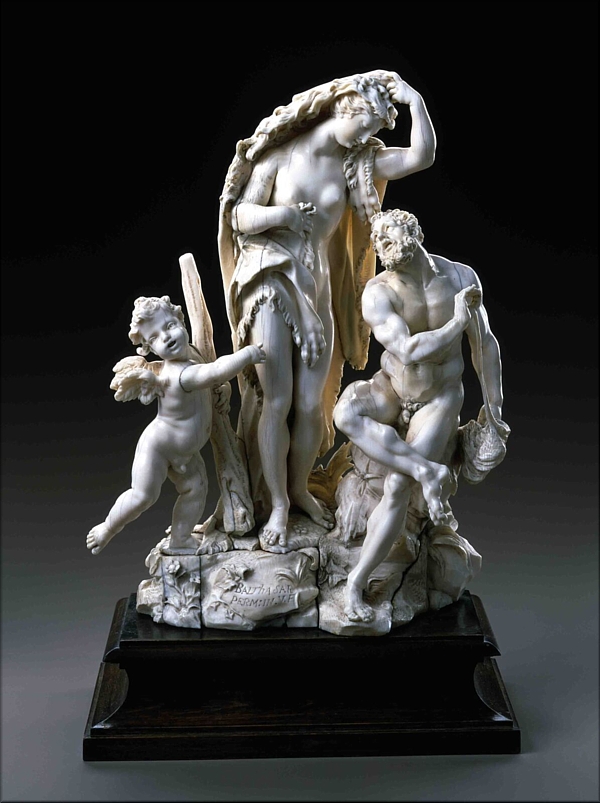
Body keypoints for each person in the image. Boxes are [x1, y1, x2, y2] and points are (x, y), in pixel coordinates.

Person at [218, 70, 437, 548]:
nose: (365, 138)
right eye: (364, 126)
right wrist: (284, 216)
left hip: (316, 286)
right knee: (276, 399)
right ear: (343, 108)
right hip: (271, 281)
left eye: (373, 132)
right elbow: (239, 215)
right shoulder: (279, 157)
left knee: (311, 404)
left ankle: (299, 489)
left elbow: (421, 156)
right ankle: (278, 504)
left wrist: (415, 100)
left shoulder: (354, 165)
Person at [333, 209, 508, 622]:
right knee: (345, 413)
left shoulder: (461, 278)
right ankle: (427, 471)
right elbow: (407, 351)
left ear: (414, 231)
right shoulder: (378, 292)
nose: (381, 243)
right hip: (393, 388)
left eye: (388, 233)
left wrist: (495, 411)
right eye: (376, 239)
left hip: (439, 398)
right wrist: (456, 323)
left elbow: (485, 346)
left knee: (397, 486)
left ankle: (355, 582)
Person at [86, 295, 265, 556]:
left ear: (181, 320)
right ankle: (108, 527)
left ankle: (180, 539)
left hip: (185, 453)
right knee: (142, 496)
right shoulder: (180, 373)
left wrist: (223, 391)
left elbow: (211, 384)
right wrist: (247, 354)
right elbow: (214, 372)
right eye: (155, 338)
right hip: (158, 447)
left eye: (169, 326)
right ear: (149, 348)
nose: (167, 337)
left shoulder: (191, 356)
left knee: (196, 489)